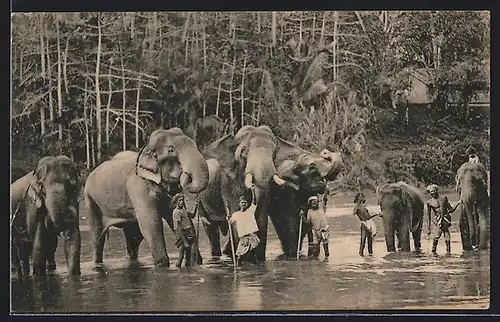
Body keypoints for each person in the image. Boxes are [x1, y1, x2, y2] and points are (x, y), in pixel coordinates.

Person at [426, 184, 462, 255]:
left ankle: (448, 254)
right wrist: (428, 228)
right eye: (431, 192)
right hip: (437, 222)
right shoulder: (429, 202)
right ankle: (434, 255)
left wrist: (458, 203)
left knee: (447, 240)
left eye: (434, 191)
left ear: (437, 191)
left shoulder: (444, 199)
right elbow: (428, 216)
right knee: (435, 239)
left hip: (445, 221)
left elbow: (450, 210)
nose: (432, 193)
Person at [227, 195, 260, 265]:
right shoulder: (236, 214)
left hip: (252, 236)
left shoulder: (250, 211)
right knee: (240, 255)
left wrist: (253, 192)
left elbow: (254, 202)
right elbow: (230, 222)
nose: (244, 204)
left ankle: (257, 268)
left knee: (253, 254)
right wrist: (227, 218)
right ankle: (238, 269)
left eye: (245, 202)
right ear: (239, 204)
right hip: (243, 238)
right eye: (242, 202)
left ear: (247, 204)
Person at [352, 192, 380, 257]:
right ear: (357, 198)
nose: (361, 198)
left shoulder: (364, 207)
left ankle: (370, 256)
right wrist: (358, 204)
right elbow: (353, 213)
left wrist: (376, 214)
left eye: (362, 197)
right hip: (364, 224)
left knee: (370, 242)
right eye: (359, 197)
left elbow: (368, 216)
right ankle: (361, 255)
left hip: (369, 223)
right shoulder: (357, 207)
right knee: (363, 241)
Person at [172, 193, 197, 267]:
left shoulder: (184, 210)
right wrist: (185, 241)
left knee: (188, 255)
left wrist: (196, 205)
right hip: (181, 234)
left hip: (187, 232)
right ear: (176, 202)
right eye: (179, 200)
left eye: (182, 200)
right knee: (181, 255)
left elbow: (192, 215)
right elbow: (178, 227)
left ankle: (187, 271)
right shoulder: (176, 212)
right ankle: (178, 270)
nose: (181, 202)